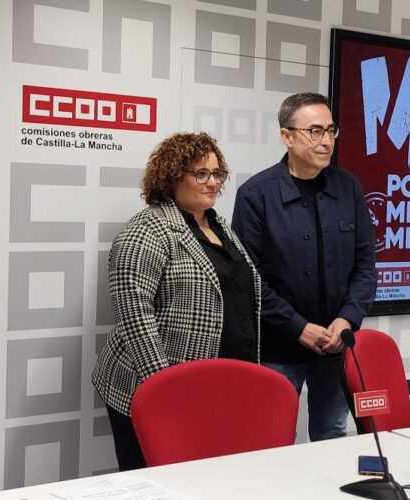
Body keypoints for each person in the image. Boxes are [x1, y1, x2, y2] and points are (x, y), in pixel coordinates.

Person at [92, 132, 261, 470]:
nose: (213, 182)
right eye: (201, 174)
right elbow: (135, 318)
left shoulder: (218, 226)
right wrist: (166, 393)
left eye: (218, 174)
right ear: (171, 177)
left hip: (218, 386)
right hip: (158, 387)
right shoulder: (146, 231)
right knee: (153, 482)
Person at [232, 92, 376, 441]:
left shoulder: (348, 187)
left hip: (335, 346)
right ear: (287, 136)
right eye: (315, 131)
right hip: (279, 348)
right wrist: (298, 327)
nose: (326, 140)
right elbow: (248, 279)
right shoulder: (256, 194)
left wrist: (348, 319)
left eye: (330, 130)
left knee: (331, 433)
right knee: (269, 439)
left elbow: (365, 264)